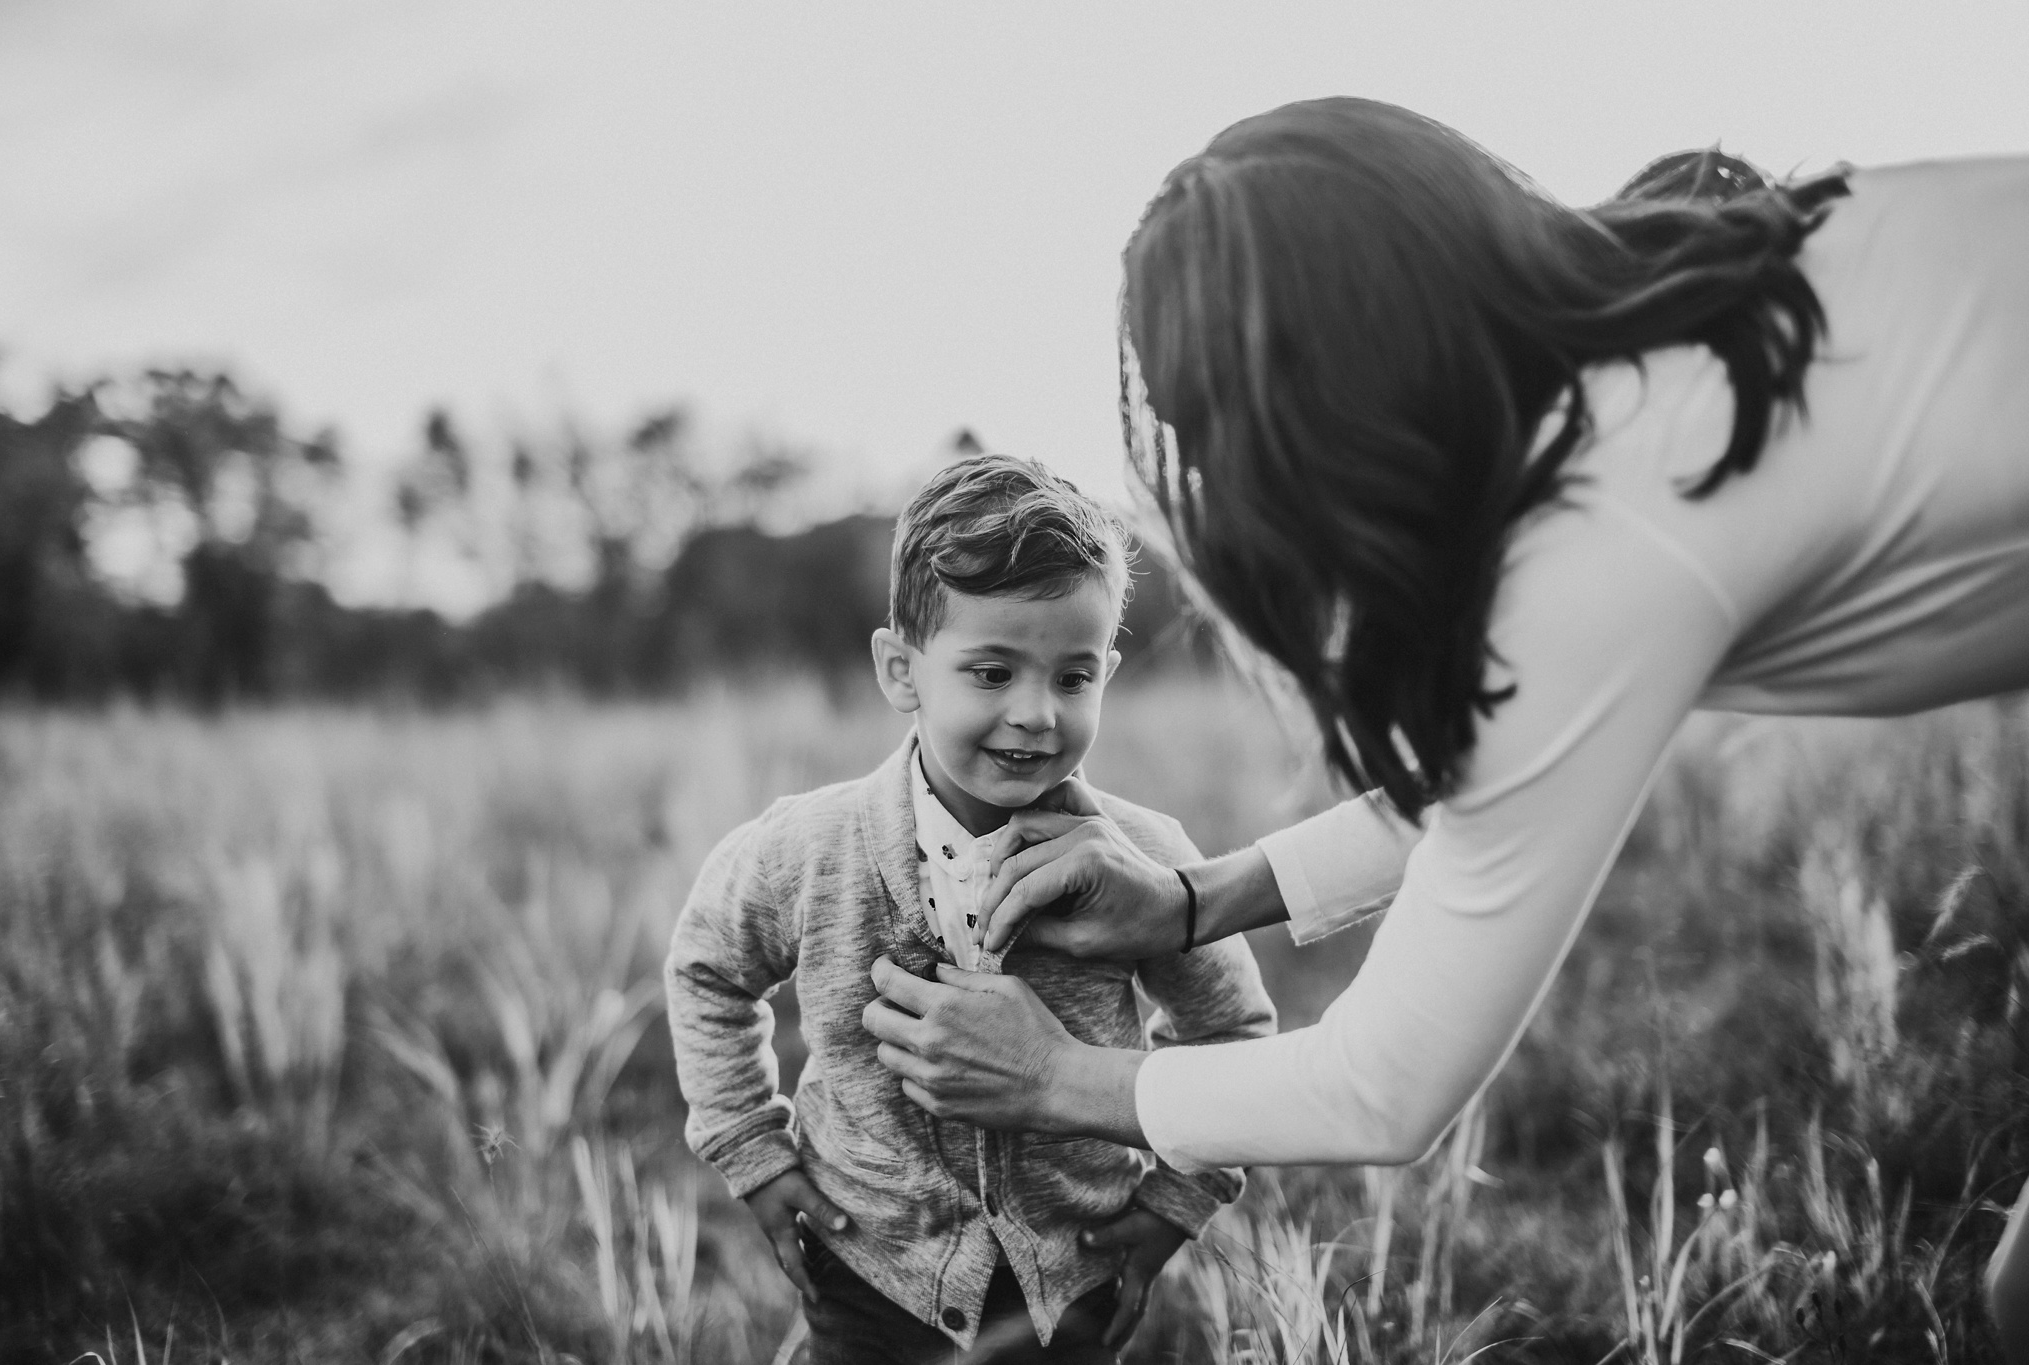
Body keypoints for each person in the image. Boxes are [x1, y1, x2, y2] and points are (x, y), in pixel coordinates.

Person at [857, 99, 2029, 1352]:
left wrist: (1057, 1079)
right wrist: (1195, 903)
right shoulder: (1663, 338)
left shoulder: (1605, 532)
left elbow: (1384, 1087)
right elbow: (1505, 769)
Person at [664, 454, 1276, 1364]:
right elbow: (707, 966)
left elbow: (1234, 1029)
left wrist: (1176, 1201)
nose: (1036, 714)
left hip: (1073, 1280)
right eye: (992, 672)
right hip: (868, 1272)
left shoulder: (1147, 859)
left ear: (1107, 668)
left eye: (1073, 678)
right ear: (900, 669)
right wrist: (753, 1148)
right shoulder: (810, 848)